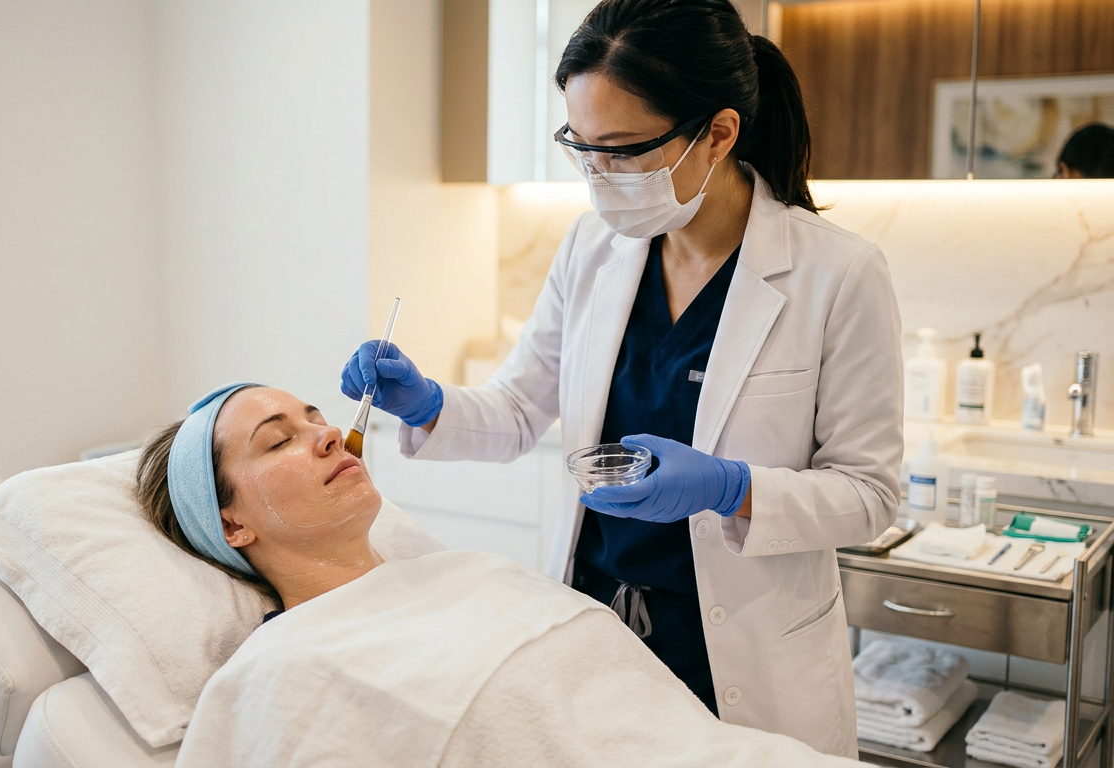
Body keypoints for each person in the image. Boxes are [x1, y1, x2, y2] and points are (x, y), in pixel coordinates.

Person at [340, 0, 903, 757]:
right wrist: (429, 404)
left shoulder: (838, 273)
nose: (599, 176)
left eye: (623, 150)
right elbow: (520, 407)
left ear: (718, 133)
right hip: (596, 628)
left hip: (742, 657)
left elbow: (870, 495)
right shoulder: (592, 248)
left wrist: (732, 488)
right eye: (583, 147)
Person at [135, 383, 861, 768]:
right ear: (233, 525)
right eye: (279, 441)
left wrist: (734, 487)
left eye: (315, 415)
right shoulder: (281, 669)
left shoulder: (467, 574)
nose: (328, 434)